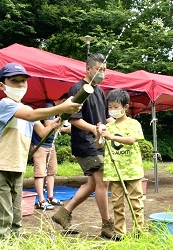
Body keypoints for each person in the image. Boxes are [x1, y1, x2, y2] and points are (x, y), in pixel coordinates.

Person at [0, 62, 82, 243]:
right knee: (2, 220)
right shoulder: (6, 104)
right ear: (2, 86)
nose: (20, 85)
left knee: (16, 218)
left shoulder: (27, 109)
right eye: (15, 81)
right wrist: (60, 107)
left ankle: (13, 245)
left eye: (23, 81)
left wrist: (56, 123)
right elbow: (31, 116)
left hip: (17, 168)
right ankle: (1, 247)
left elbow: (43, 132)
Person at [52, 53, 120, 240]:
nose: (101, 73)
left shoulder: (99, 91)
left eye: (104, 70)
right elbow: (74, 119)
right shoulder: (78, 89)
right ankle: (107, 226)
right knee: (103, 182)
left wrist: (121, 126)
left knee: (92, 183)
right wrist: (94, 129)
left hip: (98, 142)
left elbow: (106, 118)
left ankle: (63, 213)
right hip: (84, 143)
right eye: (98, 69)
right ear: (88, 69)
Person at [95, 88, 144, 236]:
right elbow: (99, 145)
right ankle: (119, 233)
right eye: (110, 107)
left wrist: (111, 137)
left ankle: (139, 232)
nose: (112, 110)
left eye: (116, 107)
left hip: (132, 171)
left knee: (136, 202)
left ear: (126, 107)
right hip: (115, 172)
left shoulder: (133, 124)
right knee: (117, 204)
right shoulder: (108, 126)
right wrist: (99, 134)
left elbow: (131, 140)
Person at [31, 93, 71, 210]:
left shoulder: (56, 111)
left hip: (50, 145)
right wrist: (66, 129)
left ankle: (50, 197)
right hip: (40, 145)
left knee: (51, 171)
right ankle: (41, 200)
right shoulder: (49, 107)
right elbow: (48, 126)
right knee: (40, 173)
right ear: (63, 101)